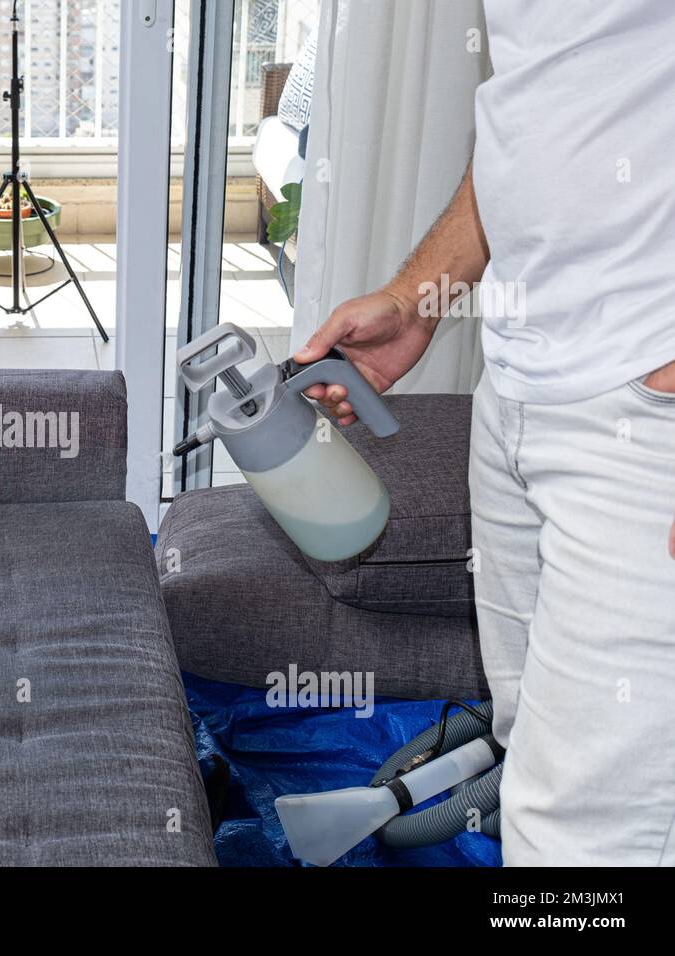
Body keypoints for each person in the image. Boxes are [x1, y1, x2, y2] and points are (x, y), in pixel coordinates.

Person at [294, 0, 675, 865]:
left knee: (585, 839)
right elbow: (544, 99)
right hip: (518, 382)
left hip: (649, 417)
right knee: (529, 736)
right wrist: (420, 297)